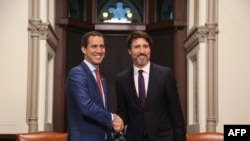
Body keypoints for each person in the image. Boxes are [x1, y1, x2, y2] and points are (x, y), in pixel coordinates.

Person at [115, 30, 186, 141]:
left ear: (150, 50)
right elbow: (123, 111)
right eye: (137, 47)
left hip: (163, 138)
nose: (142, 51)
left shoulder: (165, 75)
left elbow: (176, 114)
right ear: (129, 50)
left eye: (146, 46)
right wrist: (118, 121)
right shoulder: (121, 79)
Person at [66, 31, 123, 141]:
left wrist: (113, 124)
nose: (99, 50)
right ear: (84, 49)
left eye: (102, 46)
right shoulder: (77, 73)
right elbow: (86, 107)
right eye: (94, 46)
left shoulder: (102, 80)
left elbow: (101, 112)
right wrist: (112, 118)